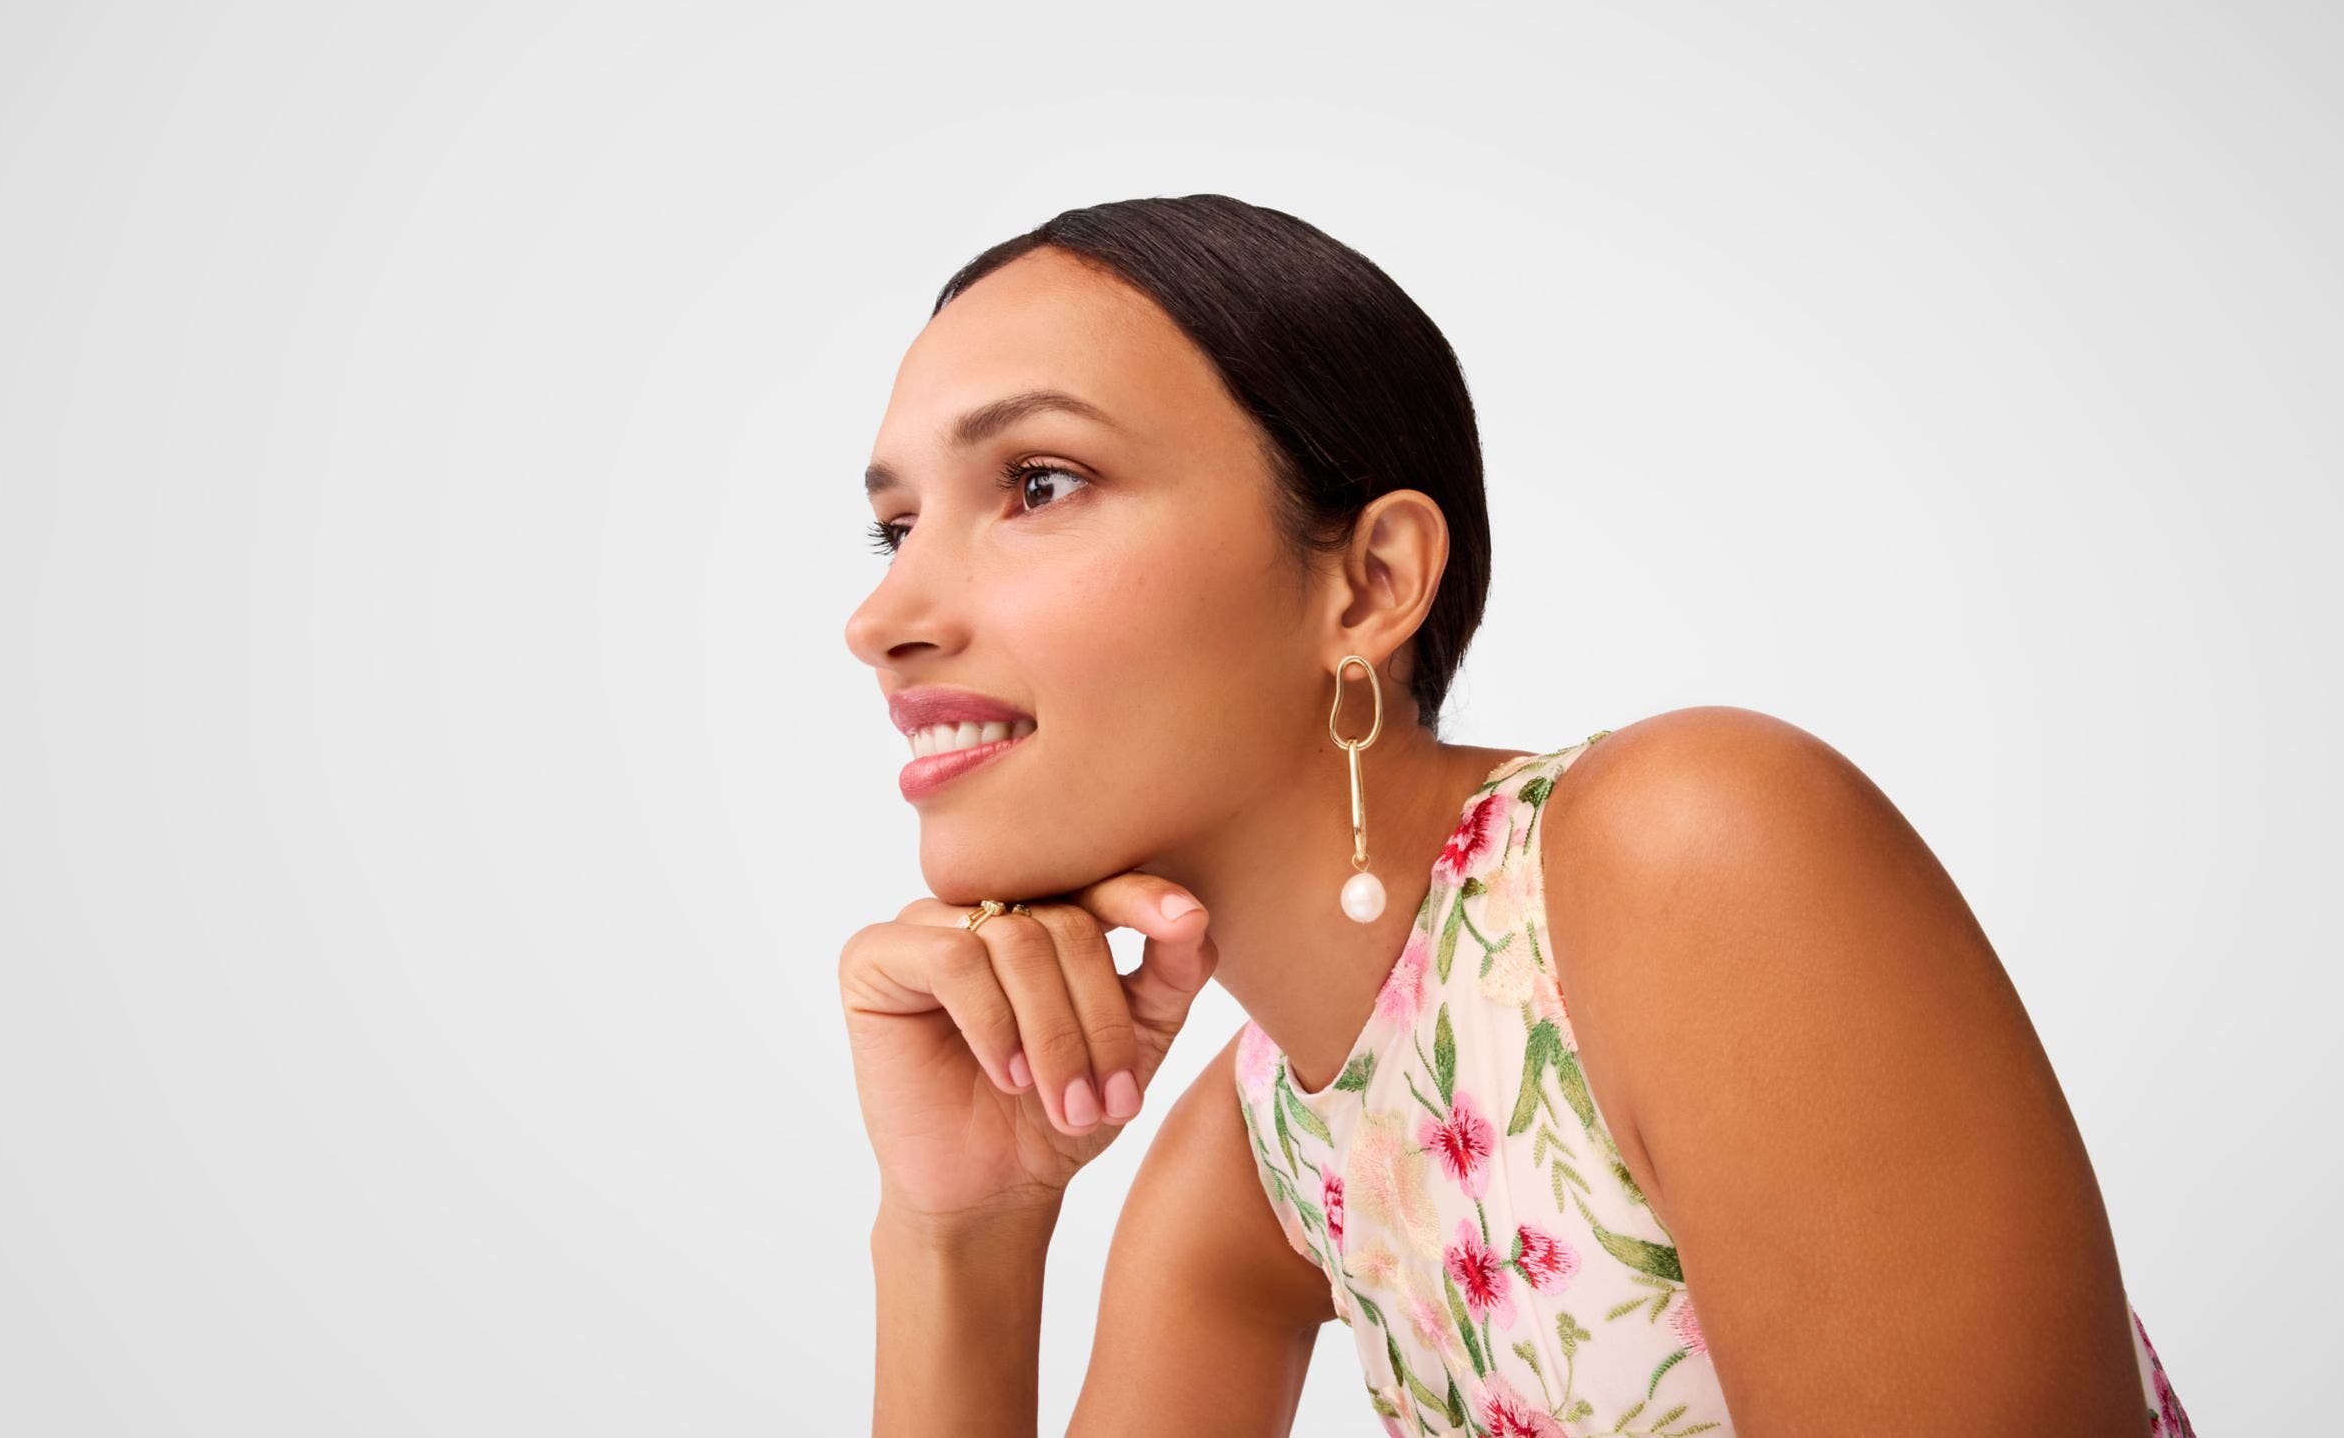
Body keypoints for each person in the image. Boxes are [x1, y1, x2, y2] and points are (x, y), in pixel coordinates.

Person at [836, 195, 2197, 1437]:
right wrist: (962, 1232)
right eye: (896, 530)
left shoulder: (1697, 855)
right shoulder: (1254, 1161)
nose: (882, 622)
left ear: (1368, 584)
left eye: (1040, 485)